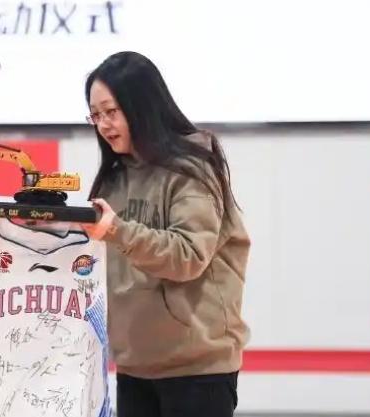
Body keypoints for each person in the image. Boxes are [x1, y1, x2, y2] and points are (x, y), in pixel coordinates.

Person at [80, 51, 251, 417]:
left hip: (198, 370)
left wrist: (117, 230)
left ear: (142, 107)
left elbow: (188, 256)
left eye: (111, 112)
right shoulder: (113, 178)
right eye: (95, 115)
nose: (103, 125)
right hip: (133, 367)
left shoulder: (193, 169)